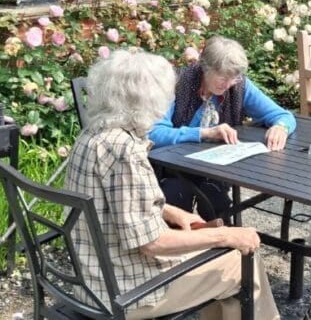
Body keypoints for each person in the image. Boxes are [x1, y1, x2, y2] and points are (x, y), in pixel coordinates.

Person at [65, 49, 279, 319]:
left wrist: (171, 211)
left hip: (92, 274)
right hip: (124, 291)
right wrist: (228, 235)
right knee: (241, 259)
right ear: (149, 99)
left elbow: (117, 201)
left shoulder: (94, 133)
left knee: (222, 256)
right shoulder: (124, 151)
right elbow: (152, 243)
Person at [149, 36, 295, 220]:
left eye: (233, 78)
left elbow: (283, 115)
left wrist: (281, 127)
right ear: (205, 67)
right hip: (174, 169)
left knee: (217, 203)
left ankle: (221, 242)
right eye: (223, 78)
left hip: (215, 169)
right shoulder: (177, 84)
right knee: (176, 199)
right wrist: (204, 133)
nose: (228, 85)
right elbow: (154, 133)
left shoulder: (239, 86)